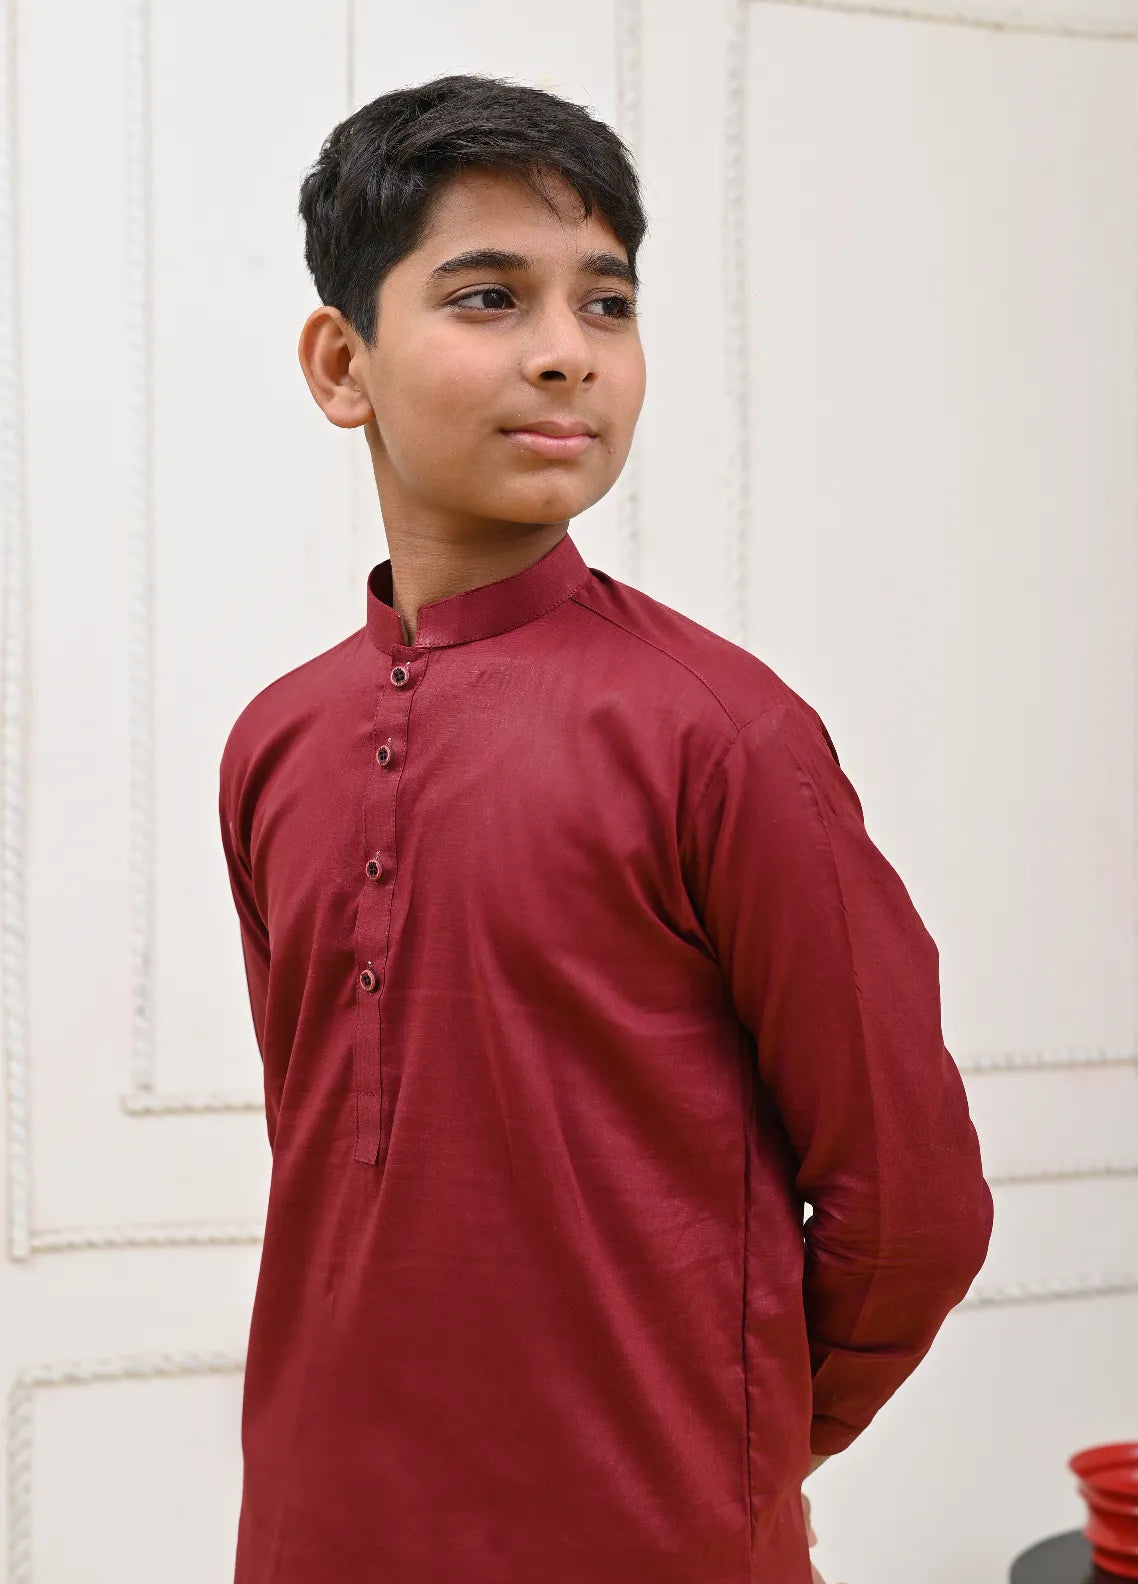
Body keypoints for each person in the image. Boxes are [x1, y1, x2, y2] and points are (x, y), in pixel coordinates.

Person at [217, 72, 994, 1584]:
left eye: (608, 303)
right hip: (316, 1524)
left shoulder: (723, 736)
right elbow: (319, 1145)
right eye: (489, 296)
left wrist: (738, 1448)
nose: (566, 351)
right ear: (342, 363)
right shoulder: (276, 744)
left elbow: (912, 1210)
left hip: (654, 1537)